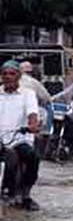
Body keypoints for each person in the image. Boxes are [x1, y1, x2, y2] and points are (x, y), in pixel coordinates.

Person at [0, 60, 41, 210]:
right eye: (4, 74)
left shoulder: (28, 94)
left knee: (33, 157)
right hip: (0, 139)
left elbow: (32, 113)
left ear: (18, 76)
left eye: (11, 73)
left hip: (19, 138)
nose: (8, 77)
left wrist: (33, 125)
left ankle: (25, 193)